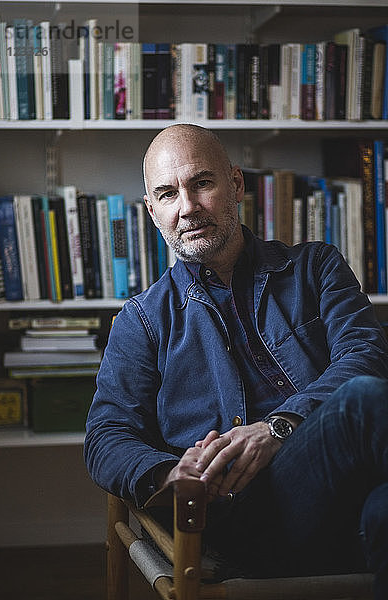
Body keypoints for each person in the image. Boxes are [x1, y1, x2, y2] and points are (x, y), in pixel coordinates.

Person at [84, 124, 388, 598]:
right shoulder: (140, 321)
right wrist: (169, 473)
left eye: (202, 183)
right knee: (366, 401)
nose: (187, 207)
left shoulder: (317, 267)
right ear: (152, 212)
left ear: (237, 185)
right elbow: (106, 437)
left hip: (340, 496)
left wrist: (279, 428)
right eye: (167, 194)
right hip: (239, 519)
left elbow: (364, 354)